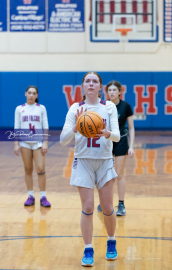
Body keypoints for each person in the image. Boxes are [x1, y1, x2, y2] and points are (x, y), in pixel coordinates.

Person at [60, 72, 120, 267]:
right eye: (88, 81)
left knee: (108, 207)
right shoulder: (76, 108)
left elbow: (118, 136)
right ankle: (88, 249)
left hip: (104, 161)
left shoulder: (109, 107)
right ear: (83, 86)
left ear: (100, 86)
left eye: (95, 81)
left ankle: (111, 242)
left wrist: (107, 132)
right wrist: (76, 128)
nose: (91, 84)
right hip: (83, 161)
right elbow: (62, 140)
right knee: (87, 207)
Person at [97, 80, 135, 216]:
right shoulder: (103, 106)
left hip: (121, 140)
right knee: (104, 173)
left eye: (114, 90)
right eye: (109, 90)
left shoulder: (126, 106)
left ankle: (121, 204)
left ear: (120, 92)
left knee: (119, 173)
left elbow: (131, 128)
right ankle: (104, 201)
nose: (111, 93)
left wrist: (132, 146)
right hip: (106, 141)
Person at [14, 85, 51, 208]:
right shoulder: (19, 109)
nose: (31, 95)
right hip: (24, 143)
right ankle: (30, 196)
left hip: (38, 142)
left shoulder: (41, 108)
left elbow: (45, 125)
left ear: (37, 95)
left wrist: (45, 142)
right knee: (28, 169)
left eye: (33, 93)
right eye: (29, 93)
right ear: (25, 94)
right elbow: (17, 126)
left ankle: (43, 196)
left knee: (40, 169)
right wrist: (16, 144)